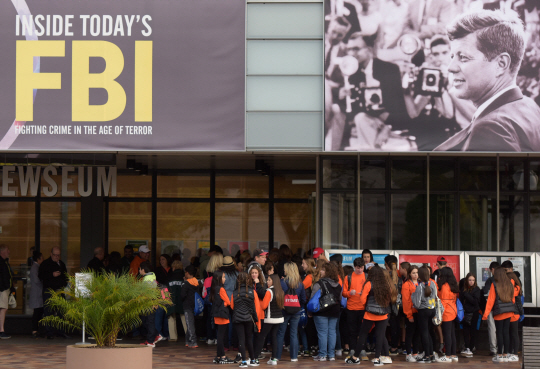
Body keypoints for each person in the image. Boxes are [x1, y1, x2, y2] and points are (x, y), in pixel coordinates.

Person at [434, 9, 540, 152]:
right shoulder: (528, 105)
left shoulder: (491, 128)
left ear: (500, 64)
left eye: (463, 57)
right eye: (452, 56)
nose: (450, 67)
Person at [345, 265, 396, 366]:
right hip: (383, 314)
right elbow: (389, 299)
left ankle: (355, 357)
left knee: (363, 335)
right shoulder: (387, 285)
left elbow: (362, 299)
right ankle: (377, 358)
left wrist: (366, 306)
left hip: (369, 314)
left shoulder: (369, 283)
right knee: (380, 336)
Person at [482, 267, 516, 363]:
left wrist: (485, 315)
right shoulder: (510, 283)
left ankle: (499, 355)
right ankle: (506, 354)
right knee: (506, 332)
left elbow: (490, 301)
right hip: (508, 311)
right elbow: (513, 299)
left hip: (499, 312)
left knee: (499, 333)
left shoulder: (494, 285)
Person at [311, 262, 342, 362]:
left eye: (323, 270)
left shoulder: (319, 284)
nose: (320, 271)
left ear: (328, 272)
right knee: (332, 332)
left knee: (322, 333)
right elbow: (340, 299)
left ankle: (322, 355)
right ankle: (331, 355)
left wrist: (310, 311)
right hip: (335, 311)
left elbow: (312, 300)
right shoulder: (338, 285)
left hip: (321, 312)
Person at [276, 262, 306, 362]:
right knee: (294, 333)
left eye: (285, 269)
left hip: (284, 311)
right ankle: (294, 357)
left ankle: (277, 356)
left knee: (281, 333)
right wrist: (297, 306)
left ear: (288, 270)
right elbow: (303, 299)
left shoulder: (282, 282)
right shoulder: (300, 284)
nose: (284, 270)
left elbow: (278, 297)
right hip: (296, 311)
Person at [231, 272, 260, 368]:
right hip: (249, 318)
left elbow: (232, 306)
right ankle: (253, 360)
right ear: (248, 280)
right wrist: (256, 320)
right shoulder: (253, 292)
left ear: (238, 280)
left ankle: (243, 361)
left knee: (241, 340)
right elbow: (255, 307)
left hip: (238, 319)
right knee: (249, 339)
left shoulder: (234, 293)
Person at [38, 246, 69, 339]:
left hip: (59, 290)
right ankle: (49, 332)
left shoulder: (61, 264)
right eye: (55, 255)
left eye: (58, 255)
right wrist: (52, 275)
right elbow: (41, 276)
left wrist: (64, 284)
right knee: (49, 311)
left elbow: (65, 276)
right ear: (51, 254)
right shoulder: (45, 264)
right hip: (49, 290)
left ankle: (61, 331)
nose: (56, 257)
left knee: (61, 311)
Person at [254, 274, 284, 365]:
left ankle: (255, 358)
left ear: (273, 281)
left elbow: (263, 306)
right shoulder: (281, 291)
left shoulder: (269, 291)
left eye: (269, 280)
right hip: (278, 318)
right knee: (274, 337)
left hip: (270, 318)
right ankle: (274, 359)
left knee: (262, 336)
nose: (267, 282)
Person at [342, 257, 366, 359]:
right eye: (357, 268)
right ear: (354, 267)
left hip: (363, 307)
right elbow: (343, 293)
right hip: (351, 307)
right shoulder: (348, 277)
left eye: (361, 268)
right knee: (352, 330)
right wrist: (349, 293)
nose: (359, 270)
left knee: (363, 330)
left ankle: (362, 350)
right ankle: (352, 349)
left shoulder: (367, 276)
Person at [210, 270, 235, 364]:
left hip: (217, 314)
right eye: (223, 277)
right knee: (221, 337)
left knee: (219, 336)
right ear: (218, 278)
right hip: (222, 315)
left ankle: (219, 356)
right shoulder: (221, 289)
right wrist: (225, 303)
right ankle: (222, 356)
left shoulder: (214, 288)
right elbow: (228, 302)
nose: (225, 279)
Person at [415, 266, 438, 363]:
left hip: (423, 311)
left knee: (424, 333)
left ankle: (427, 356)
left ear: (420, 275)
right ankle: (431, 354)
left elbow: (417, 304)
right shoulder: (433, 284)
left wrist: (413, 296)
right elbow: (436, 297)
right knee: (428, 332)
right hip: (432, 310)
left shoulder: (420, 287)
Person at [436, 267, 459, 362]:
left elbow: (443, 302)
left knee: (447, 334)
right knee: (452, 334)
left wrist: (439, 314)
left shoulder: (444, 286)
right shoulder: (453, 285)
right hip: (453, 310)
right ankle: (453, 354)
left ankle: (448, 356)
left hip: (446, 312)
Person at [138, 261, 160, 348]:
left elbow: (150, 292)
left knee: (148, 321)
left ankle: (151, 341)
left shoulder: (148, 279)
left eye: (139, 269)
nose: (139, 271)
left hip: (149, 303)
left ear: (143, 270)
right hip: (149, 303)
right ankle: (155, 336)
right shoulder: (150, 276)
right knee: (146, 320)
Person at [402, 265, 421, 361]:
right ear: (409, 274)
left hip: (419, 313)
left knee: (417, 334)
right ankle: (408, 354)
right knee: (410, 334)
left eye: (417, 272)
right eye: (413, 273)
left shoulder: (420, 283)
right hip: (411, 313)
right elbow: (406, 301)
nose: (415, 275)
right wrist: (409, 315)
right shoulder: (406, 284)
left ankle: (415, 353)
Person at [181, 265, 202, 349]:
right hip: (195, 306)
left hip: (187, 305)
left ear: (187, 273)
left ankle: (193, 341)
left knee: (190, 324)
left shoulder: (185, 284)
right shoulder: (197, 282)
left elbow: (182, 295)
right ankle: (187, 341)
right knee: (191, 323)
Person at [459, 273, 481, 358]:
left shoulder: (476, 289)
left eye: (473, 280)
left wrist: (467, 295)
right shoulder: (463, 289)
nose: (471, 282)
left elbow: (475, 302)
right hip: (465, 312)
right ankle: (467, 347)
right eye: (469, 280)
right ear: (467, 281)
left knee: (473, 331)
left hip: (474, 312)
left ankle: (471, 348)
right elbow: (460, 301)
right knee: (465, 331)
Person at [482, 261, 500, 356]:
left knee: (492, 328)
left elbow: (486, 292)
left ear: (492, 269)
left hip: (492, 307)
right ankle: (502, 349)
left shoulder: (491, 280)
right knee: (502, 329)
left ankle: (493, 349)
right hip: (503, 308)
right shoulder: (505, 279)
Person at [384, 255, 401, 355]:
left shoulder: (385, 277)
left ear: (386, 265)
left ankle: (385, 347)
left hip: (386, 305)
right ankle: (394, 347)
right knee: (396, 326)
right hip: (397, 306)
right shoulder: (400, 278)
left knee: (383, 327)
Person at [155, 254, 173, 342]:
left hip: (169, 295)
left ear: (167, 260)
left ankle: (166, 334)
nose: (161, 261)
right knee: (159, 314)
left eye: (163, 259)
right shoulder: (157, 270)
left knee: (167, 315)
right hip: (159, 294)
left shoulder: (172, 270)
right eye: (160, 259)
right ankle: (159, 334)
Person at [167, 260, 185, 343]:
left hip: (172, 299)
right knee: (184, 317)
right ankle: (189, 335)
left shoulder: (170, 277)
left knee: (171, 317)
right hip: (182, 299)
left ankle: (173, 337)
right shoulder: (184, 277)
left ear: (173, 268)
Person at [507, 271, 522, 362]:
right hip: (509, 312)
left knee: (514, 334)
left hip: (514, 313)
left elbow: (518, 303)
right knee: (509, 334)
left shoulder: (516, 288)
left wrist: (521, 313)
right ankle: (509, 352)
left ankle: (515, 353)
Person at [0, 244, 15, 339]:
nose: (9, 252)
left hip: (4, 289)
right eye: (7, 250)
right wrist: (5, 287)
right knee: (3, 308)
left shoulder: (4, 262)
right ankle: (1, 330)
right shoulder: (2, 262)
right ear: (3, 251)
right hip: (2, 289)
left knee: (3, 308)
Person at [29, 251, 44, 338]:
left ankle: (36, 329)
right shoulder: (35, 267)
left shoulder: (36, 267)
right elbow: (36, 280)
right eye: (42, 258)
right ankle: (35, 330)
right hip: (37, 292)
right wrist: (43, 283)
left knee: (38, 311)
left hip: (38, 292)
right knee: (37, 312)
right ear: (38, 259)